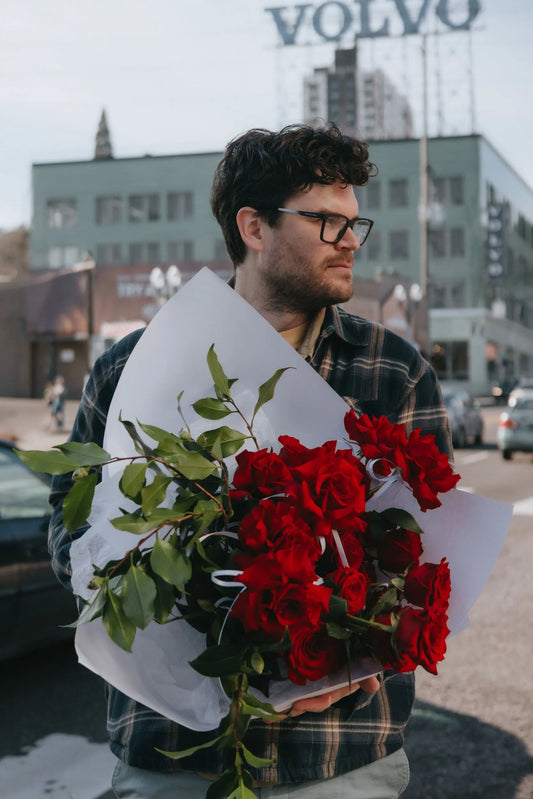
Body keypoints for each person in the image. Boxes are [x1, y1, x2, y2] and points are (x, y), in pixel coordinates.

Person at [49, 123, 452, 799]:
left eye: (355, 223)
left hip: (335, 758)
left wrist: (347, 657)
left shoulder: (393, 371)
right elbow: (70, 529)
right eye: (326, 221)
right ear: (254, 227)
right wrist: (140, 574)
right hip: (169, 754)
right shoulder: (130, 367)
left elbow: (428, 561)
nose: (350, 240)